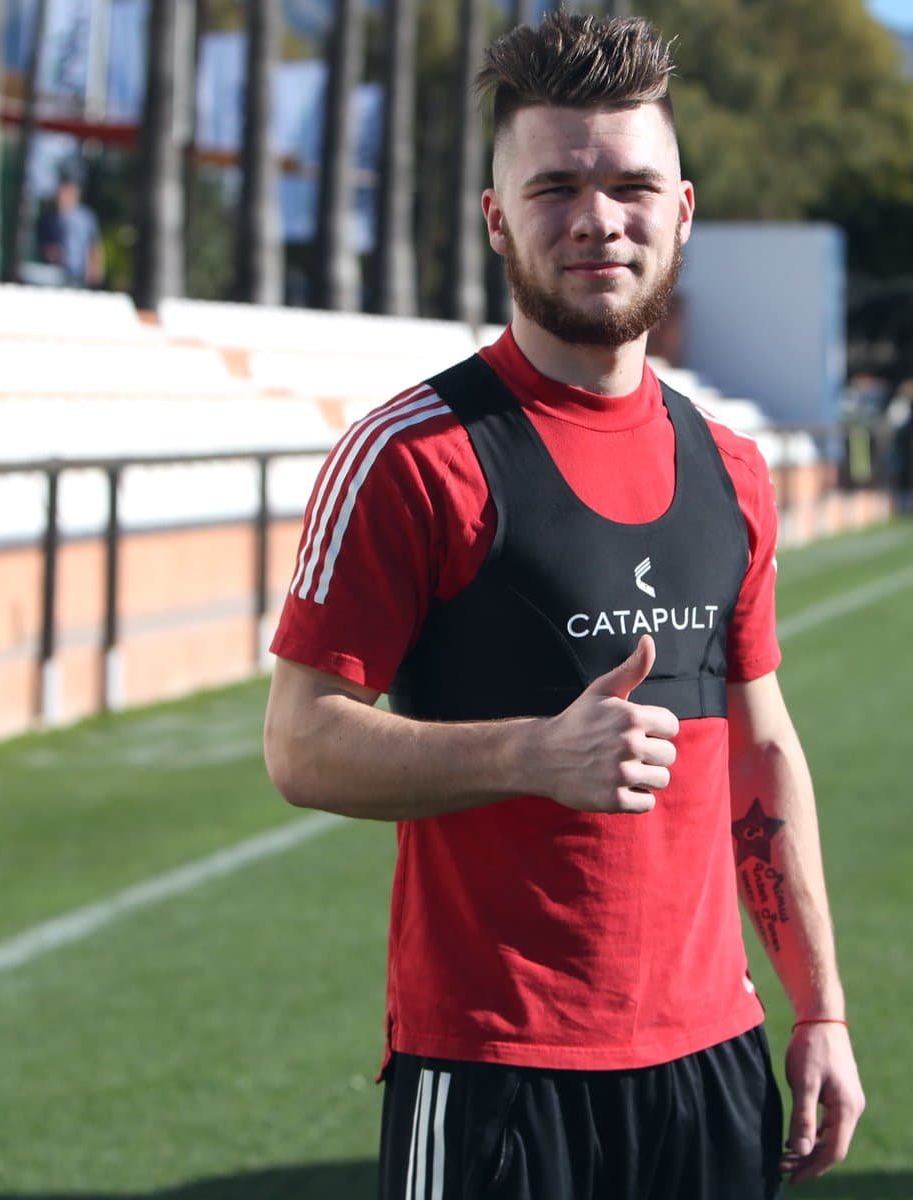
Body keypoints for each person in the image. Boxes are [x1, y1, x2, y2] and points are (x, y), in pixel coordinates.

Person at [264, 12, 864, 1199]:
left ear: (682, 211)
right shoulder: (412, 457)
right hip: (495, 1070)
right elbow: (301, 743)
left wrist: (821, 1009)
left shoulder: (732, 470)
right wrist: (536, 754)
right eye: (556, 189)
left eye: (631, 186)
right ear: (498, 219)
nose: (598, 219)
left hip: (713, 1062)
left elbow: (760, 750)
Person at [36, 160, 104, 288]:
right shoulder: (50, 218)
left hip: (79, 272)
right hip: (57, 273)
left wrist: (95, 267)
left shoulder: (86, 217)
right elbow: (45, 245)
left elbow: (94, 244)